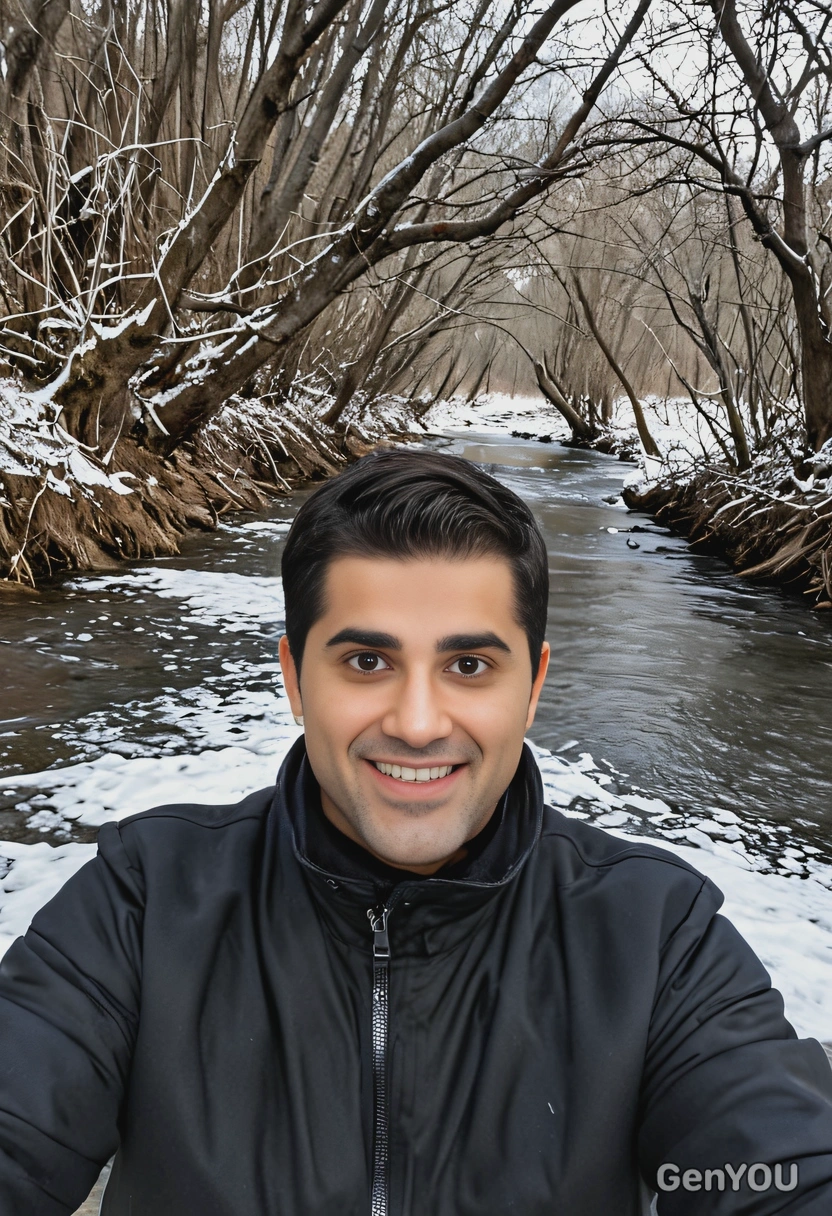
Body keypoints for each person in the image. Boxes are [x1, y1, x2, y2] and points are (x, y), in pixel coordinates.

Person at [0, 448, 831, 1216]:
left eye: (469, 666)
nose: (419, 723)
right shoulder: (145, 898)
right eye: (367, 662)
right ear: (294, 678)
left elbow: (777, 1170)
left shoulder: (655, 935)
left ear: (533, 687)